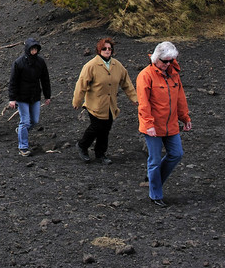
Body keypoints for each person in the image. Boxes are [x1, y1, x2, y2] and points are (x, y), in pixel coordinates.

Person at [137, 41, 191, 208]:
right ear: (156, 58)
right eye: (165, 61)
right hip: (153, 126)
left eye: (170, 61)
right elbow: (144, 104)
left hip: (171, 125)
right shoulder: (145, 76)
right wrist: (149, 125)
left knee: (176, 154)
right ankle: (156, 194)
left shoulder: (174, 74)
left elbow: (180, 98)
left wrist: (185, 118)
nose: (167, 64)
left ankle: (154, 181)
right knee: (154, 160)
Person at [72, 37, 137, 164]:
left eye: (109, 49)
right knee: (96, 126)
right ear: (99, 50)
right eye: (104, 48)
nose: (107, 51)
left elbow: (126, 83)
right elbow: (81, 84)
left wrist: (134, 98)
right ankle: (82, 146)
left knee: (105, 129)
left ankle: (100, 154)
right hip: (95, 104)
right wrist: (77, 101)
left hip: (110, 105)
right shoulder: (91, 65)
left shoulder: (117, 65)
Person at [7, 37, 51, 157]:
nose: (34, 51)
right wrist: (12, 98)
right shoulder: (19, 63)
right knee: (25, 122)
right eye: (32, 48)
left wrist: (47, 95)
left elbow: (45, 79)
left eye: (36, 48)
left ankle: (21, 132)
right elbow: (13, 81)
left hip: (35, 96)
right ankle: (23, 147)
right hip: (22, 97)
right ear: (27, 49)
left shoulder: (40, 62)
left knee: (34, 121)